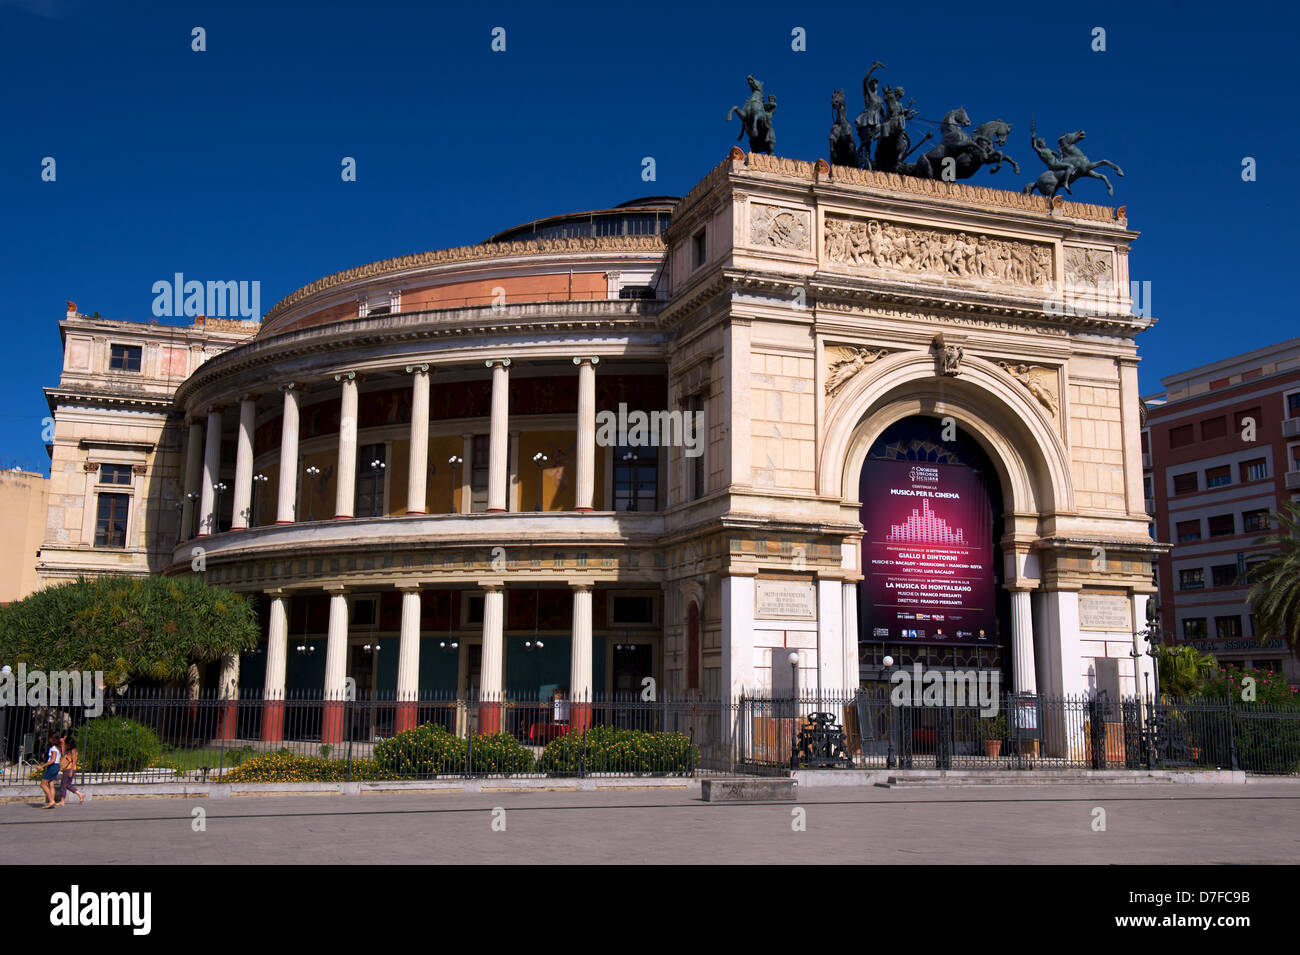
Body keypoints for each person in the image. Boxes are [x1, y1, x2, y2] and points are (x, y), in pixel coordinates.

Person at [38, 732, 62, 809]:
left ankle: (51, 800)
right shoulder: (58, 747)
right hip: (56, 766)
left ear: (52, 739)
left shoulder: (53, 748)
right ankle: (51, 800)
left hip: (53, 766)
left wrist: (42, 766)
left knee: (43, 784)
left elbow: (52, 760)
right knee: (51, 784)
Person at [56, 737, 83, 805]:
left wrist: (71, 771)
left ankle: (62, 800)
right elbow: (62, 754)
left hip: (69, 768)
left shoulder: (73, 751)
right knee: (67, 784)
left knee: (63, 785)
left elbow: (74, 761)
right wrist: (62, 743)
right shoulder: (70, 750)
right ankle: (80, 794)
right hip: (69, 768)